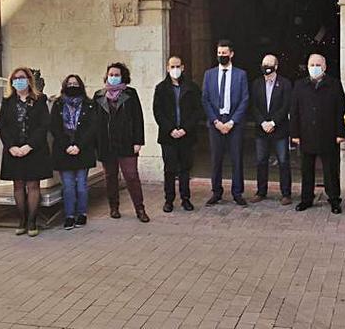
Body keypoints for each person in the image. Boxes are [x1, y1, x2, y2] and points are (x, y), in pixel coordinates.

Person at [290, 53, 345, 213]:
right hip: (306, 134)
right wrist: (295, 133)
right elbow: (294, 111)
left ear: (325, 67)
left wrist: (341, 132)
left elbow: (341, 110)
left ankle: (334, 199)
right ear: (307, 66)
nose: (315, 68)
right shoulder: (300, 85)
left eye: (318, 65)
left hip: (328, 134)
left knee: (330, 170)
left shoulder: (334, 84)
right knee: (306, 170)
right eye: (312, 65)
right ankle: (306, 199)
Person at [0, 67, 51, 237]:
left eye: (22, 77)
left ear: (29, 80)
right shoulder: (7, 101)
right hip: (13, 150)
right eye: (15, 78)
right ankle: (21, 219)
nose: (18, 81)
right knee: (18, 185)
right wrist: (11, 146)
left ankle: (32, 221)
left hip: (34, 150)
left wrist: (29, 146)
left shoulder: (40, 100)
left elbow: (44, 126)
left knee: (33, 185)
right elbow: (2, 126)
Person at [94, 62, 149, 222]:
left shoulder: (131, 94)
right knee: (110, 176)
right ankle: (114, 207)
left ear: (123, 76)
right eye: (111, 74)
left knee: (131, 176)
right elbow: (95, 123)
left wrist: (138, 141)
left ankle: (140, 209)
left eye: (116, 75)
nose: (113, 77)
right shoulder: (99, 95)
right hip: (107, 144)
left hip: (127, 143)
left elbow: (138, 118)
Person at [201, 40, 250, 206]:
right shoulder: (209, 74)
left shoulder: (241, 74)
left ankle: (237, 193)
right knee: (216, 159)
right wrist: (215, 121)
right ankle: (216, 192)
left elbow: (245, 99)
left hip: (234, 123)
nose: (222, 56)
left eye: (224, 53)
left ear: (232, 54)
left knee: (237, 159)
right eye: (219, 53)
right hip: (215, 122)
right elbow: (205, 99)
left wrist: (232, 122)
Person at [153, 56, 202, 213]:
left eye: (178, 66)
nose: (175, 69)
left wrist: (185, 129)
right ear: (167, 68)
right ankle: (169, 200)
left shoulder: (192, 87)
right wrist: (170, 129)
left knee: (185, 169)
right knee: (169, 169)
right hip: (168, 137)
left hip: (186, 135)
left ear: (183, 67)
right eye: (172, 66)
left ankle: (185, 198)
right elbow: (158, 112)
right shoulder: (160, 88)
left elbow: (197, 111)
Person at [50, 74, 97, 230]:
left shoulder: (89, 104)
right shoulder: (57, 104)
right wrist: (66, 146)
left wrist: (79, 146)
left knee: (82, 185)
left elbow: (92, 128)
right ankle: (69, 215)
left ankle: (82, 214)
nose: (72, 86)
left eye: (75, 83)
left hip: (83, 150)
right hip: (64, 151)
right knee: (68, 186)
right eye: (69, 83)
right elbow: (55, 127)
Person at [249, 54, 293, 205]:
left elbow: (286, 105)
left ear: (276, 66)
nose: (266, 67)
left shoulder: (285, 84)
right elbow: (253, 106)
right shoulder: (256, 83)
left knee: (283, 161)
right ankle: (261, 191)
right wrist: (262, 122)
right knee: (261, 161)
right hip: (261, 130)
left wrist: (273, 122)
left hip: (279, 129)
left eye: (269, 64)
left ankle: (286, 193)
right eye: (264, 64)